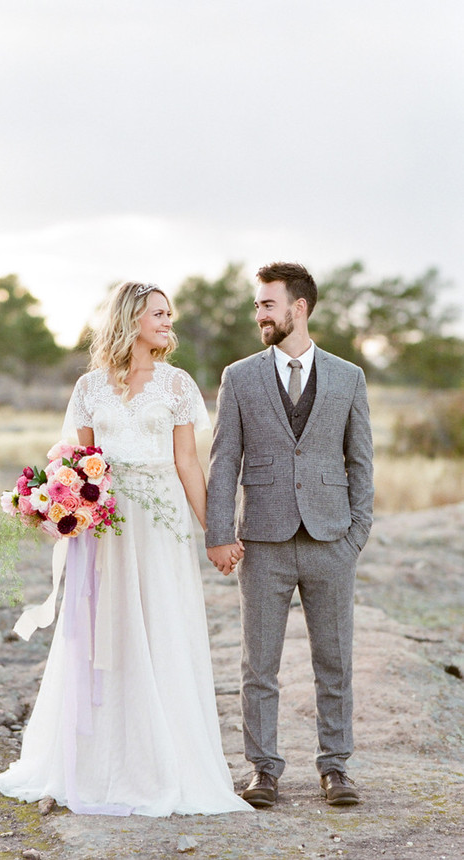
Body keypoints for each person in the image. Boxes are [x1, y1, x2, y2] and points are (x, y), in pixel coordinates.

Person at [0, 281, 251, 817]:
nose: (168, 320)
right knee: (102, 635)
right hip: (106, 528)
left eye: (170, 313)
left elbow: (187, 465)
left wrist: (215, 533)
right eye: (159, 312)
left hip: (160, 525)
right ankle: (96, 761)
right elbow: (77, 459)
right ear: (132, 318)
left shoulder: (177, 386)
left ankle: (165, 759)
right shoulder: (88, 387)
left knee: (161, 625)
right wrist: (53, 506)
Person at [206, 262, 374, 808]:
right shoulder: (239, 376)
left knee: (335, 659)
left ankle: (336, 767)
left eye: (267, 304)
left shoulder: (349, 377)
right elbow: (224, 458)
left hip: (331, 540)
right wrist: (218, 532)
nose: (259, 314)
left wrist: (356, 534)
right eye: (258, 305)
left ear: (298, 309)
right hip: (263, 542)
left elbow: (361, 461)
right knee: (259, 663)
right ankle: (263, 770)